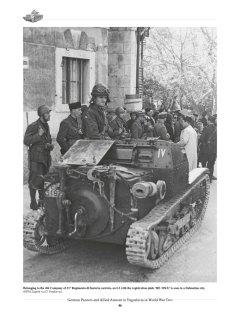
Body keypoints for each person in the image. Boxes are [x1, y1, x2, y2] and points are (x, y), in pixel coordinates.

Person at [24, 105, 54, 210]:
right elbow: (26, 141)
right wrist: (38, 135)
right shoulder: (33, 126)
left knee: (43, 179)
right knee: (34, 179)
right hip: (36, 158)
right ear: (42, 115)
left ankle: (41, 201)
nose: (49, 115)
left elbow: (46, 140)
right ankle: (33, 202)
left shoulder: (46, 125)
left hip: (45, 157)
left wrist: (49, 145)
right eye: (47, 113)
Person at [199, 116, 217, 182]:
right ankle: (210, 179)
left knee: (204, 164)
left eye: (207, 120)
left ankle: (204, 179)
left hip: (205, 150)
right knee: (211, 165)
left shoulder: (206, 128)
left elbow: (202, 138)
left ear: (209, 121)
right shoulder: (217, 129)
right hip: (213, 151)